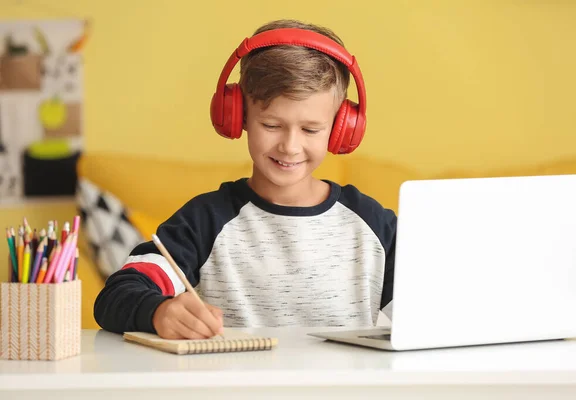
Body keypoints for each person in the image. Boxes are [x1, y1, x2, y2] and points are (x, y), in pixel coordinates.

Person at [94, 19, 397, 340]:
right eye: (271, 125)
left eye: (310, 129)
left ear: (340, 129)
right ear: (238, 116)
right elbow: (115, 297)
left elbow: (434, 311)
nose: (290, 146)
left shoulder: (375, 227)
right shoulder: (204, 222)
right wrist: (157, 312)